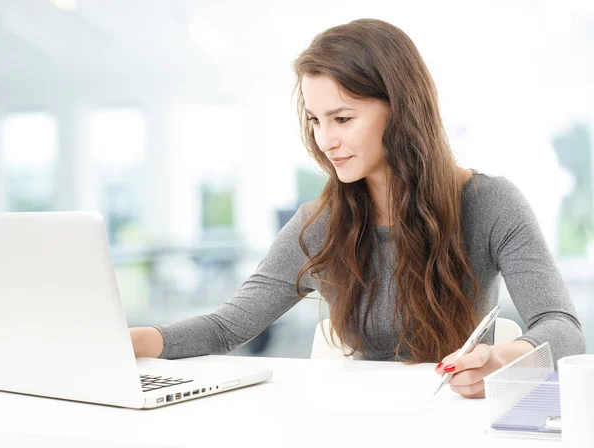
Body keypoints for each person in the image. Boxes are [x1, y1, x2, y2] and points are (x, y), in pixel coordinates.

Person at [130, 18, 585, 399]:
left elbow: (562, 328)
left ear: (403, 109)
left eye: (343, 118)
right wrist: (131, 342)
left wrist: (503, 359)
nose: (326, 141)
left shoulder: (490, 203)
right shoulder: (320, 223)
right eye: (316, 120)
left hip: (457, 421)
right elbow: (227, 326)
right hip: (359, 423)